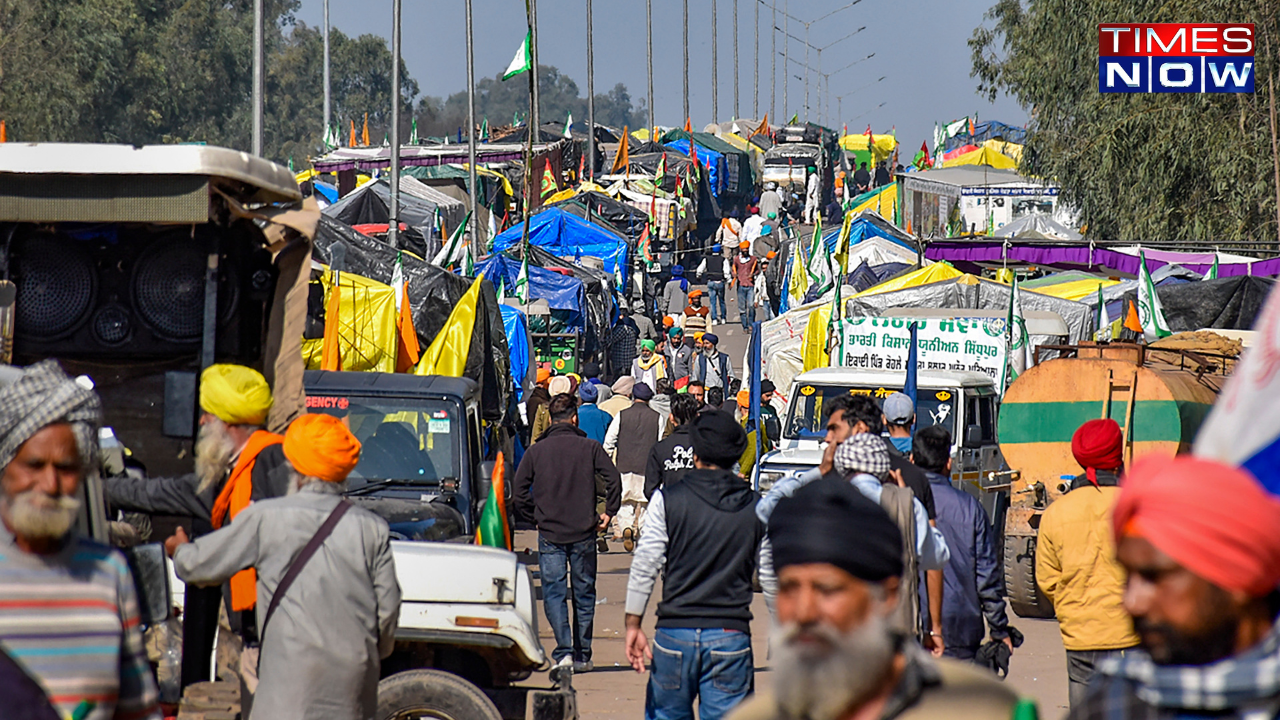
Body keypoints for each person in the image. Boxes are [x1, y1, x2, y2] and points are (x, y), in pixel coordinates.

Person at [168, 414, 400, 720]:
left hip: (288, 686)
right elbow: (387, 612)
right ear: (342, 473)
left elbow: (199, 566)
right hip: (353, 686)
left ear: (295, 469)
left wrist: (180, 550)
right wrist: (363, 656)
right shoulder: (373, 528)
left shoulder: (267, 517)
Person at [728, 479, 1018, 720]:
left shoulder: (980, 707)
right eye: (789, 588)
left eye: (827, 590)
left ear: (887, 596)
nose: (803, 612)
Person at [104, 363, 287, 689]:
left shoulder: (275, 463)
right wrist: (84, 483)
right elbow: (152, 493)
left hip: (283, 631)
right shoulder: (224, 477)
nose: (201, 421)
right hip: (251, 630)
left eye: (208, 414)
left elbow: (259, 544)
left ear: (231, 422)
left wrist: (189, 554)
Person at [0, 360, 162, 720]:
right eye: (34, 465)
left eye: (66, 469)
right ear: (6, 466)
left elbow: (138, 710)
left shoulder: (108, 572)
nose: (50, 485)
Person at [1068, 455, 1280, 720]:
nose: (1132, 603)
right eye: (1127, 576)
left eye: (1154, 577)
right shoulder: (1114, 703)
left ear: (1240, 580)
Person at [756, 396, 949, 647]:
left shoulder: (818, 494)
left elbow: (766, 512)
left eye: (833, 428)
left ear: (858, 430)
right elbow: (936, 556)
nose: (827, 437)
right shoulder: (906, 491)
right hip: (892, 639)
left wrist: (814, 475)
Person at [625, 411, 767, 720]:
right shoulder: (756, 506)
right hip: (731, 635)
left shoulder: (667, 499)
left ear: (695, 453)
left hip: (675, 633)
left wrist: (633, 623)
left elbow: (646, 562)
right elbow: (771, 575)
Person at [513, 394, 622, 671]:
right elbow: (613, 479)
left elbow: (519, 491)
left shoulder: (536, 451)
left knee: (554, 593)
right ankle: (583, 654)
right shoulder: (590, 448)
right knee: (584, 595)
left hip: (550, 533)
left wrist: (535, 517)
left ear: (550, 419)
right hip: (584, 531)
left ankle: (564, 653)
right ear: (574, 418)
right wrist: (608, 513)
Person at [1038, 419, 1139, 707]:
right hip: (1132, 634)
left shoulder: (1056, 513)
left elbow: (1047, 579)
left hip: (1081, 636)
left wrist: (1074, 604)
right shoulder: (1135, 506)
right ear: (1117, 458)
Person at [912, 425, 1012, 663]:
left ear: (912, 459)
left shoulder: (900, 503)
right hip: (960, 627)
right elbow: (986, 575)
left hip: (913, 622)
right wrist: (999, 628)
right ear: (949, 463)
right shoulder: (970, 508)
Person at [604, 382, 662, 551]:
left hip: (624, 466)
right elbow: (660, 443)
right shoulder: (658, 417)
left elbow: (609, 442)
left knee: (625, 502)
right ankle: (643, 533)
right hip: (647, 468)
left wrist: (607, 464)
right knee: (645, 504)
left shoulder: (622, 415)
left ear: (633, 397)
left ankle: (627, 528)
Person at [644, 393, 702, 499]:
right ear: (697, 416)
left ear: (671, 418)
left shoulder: (660, 448)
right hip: (701, 510)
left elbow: (650, 489)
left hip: (672, 509)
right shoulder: (707, 446)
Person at [696, 248, 730, 326]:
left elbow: (700, 269)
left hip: (711, 282)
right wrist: (728, 280)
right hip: (720, 282)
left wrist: (698, 276)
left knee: (712, 302)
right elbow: (726, 271)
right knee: (721, 301)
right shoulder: (723, 259)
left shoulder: (707, 259)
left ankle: (714, 319)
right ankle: (723, 318)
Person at [608, 306, 641, 382]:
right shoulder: (632, 325)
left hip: (621, 361)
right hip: (629, 360)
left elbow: (611, 339)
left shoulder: (623, 328)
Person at [731, 243, 759, 330]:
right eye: (744, 250)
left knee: (751, 306)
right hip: (741, 285)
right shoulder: (736, 260)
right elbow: (733, 269)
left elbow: (757, 270)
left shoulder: (753, 259)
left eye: (746, 249)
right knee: (742, 308)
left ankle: (751, 324)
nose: (745, 251)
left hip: (750, 285)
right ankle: (745, 326)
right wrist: (734, 275)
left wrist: (753, 274)